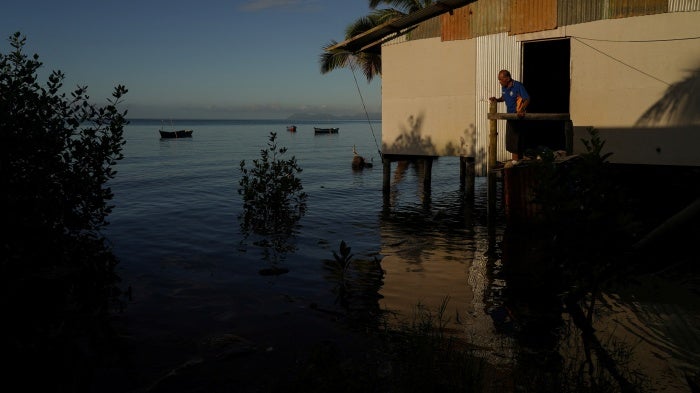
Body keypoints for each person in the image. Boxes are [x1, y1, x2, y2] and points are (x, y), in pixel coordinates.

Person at [489, 69, 530, 159]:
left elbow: (527, 99)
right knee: (511, 142)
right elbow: (504, 97)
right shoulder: (504, 87)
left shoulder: (518, 86)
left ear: (507, 78)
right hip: (510, 117)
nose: (499, 82)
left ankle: (516, 162)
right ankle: (515, 162)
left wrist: (521, 110)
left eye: (501, 79)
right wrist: (497, 99)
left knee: (516, 142)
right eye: (498, 79)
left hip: (517, 118)